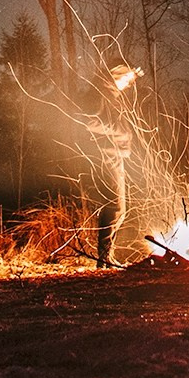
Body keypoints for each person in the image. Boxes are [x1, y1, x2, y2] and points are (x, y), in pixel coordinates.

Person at [80, 62, 140, 266]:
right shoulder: (99, 93)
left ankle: (106, 258)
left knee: (119, 210)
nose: (127, 84)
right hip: (106, 157)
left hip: (114, 155)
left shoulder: (111, 94)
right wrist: (119, 131)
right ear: (115, 76)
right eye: (125, 79)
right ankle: (103, 260)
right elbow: (88, 121)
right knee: (115, 207)